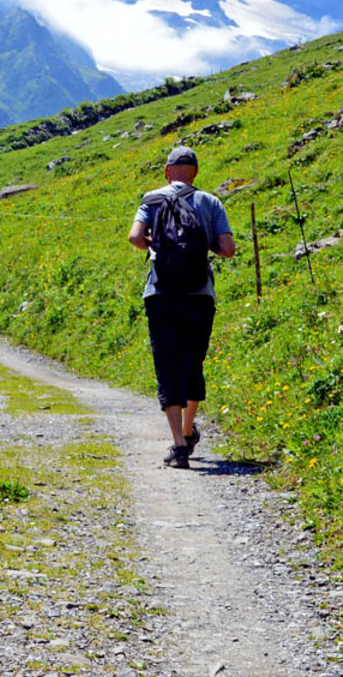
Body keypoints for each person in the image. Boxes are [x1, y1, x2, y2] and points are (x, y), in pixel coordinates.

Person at [127, 145, 235, 470]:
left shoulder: (152, 198)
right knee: (193, 361)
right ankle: (189, 431)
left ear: (167, 171)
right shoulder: (210, 202)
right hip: (199, 294)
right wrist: (204, 244)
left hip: (160, 293)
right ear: (195, 173)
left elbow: (134, 237)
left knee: (167, 364)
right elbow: (227, 249)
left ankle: (177, 446)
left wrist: (156, 246)